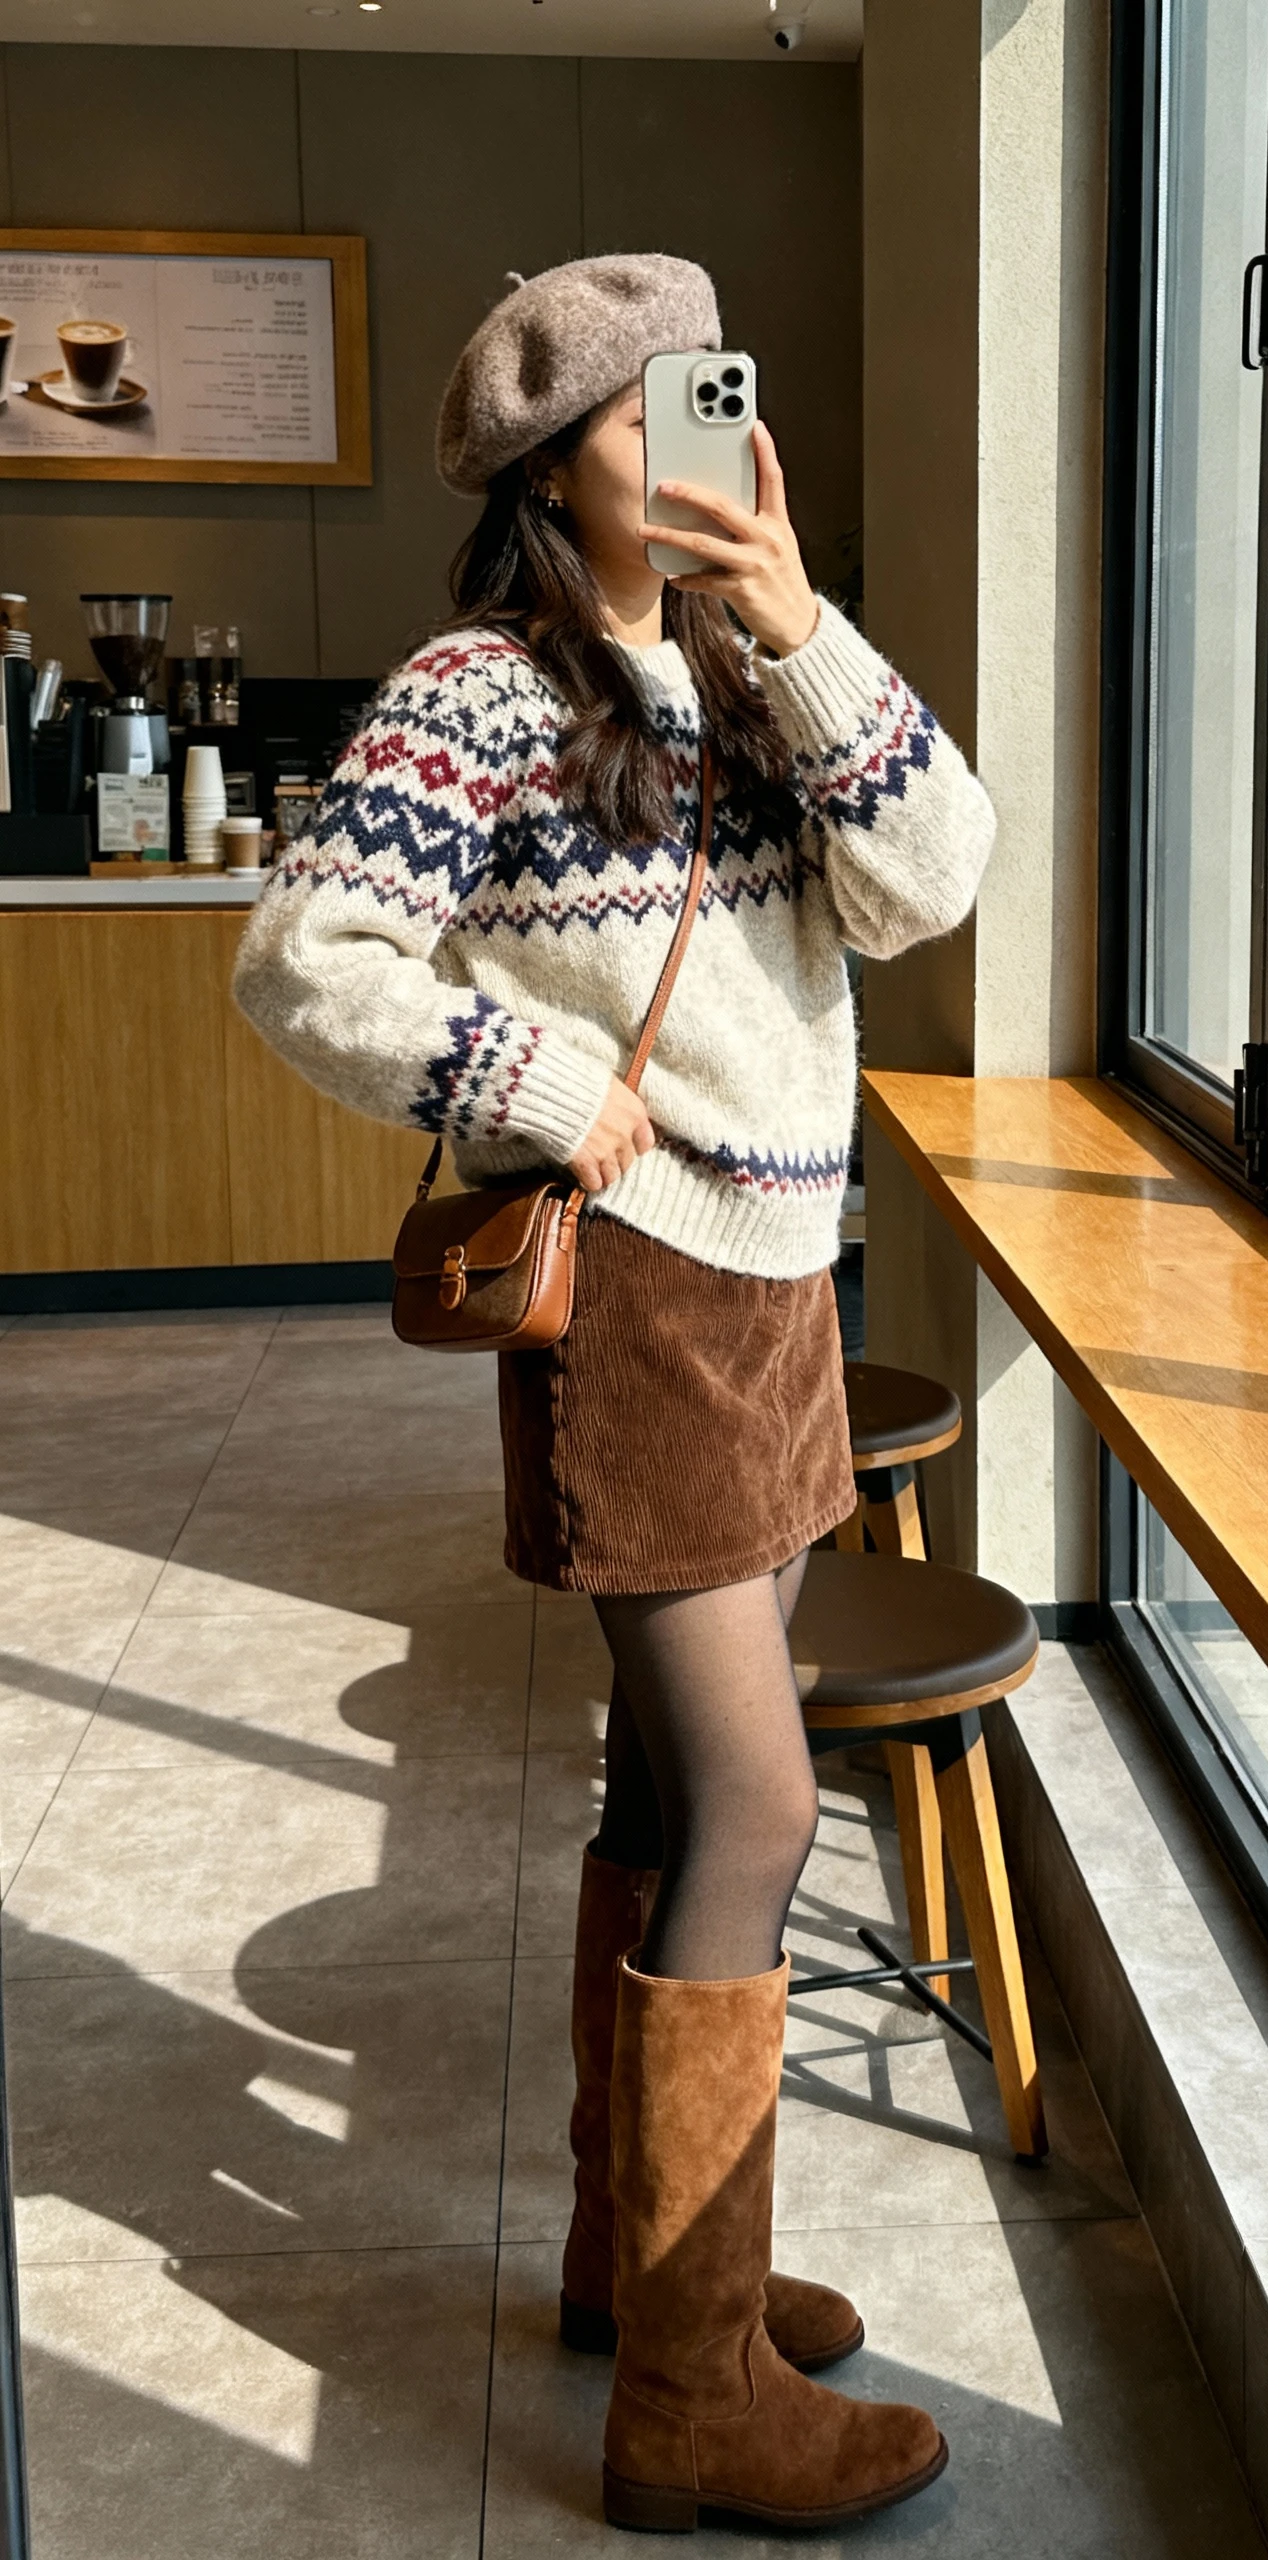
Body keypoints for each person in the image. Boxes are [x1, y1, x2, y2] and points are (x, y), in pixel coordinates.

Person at [234, 253, 996, 2535]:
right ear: (549, 457)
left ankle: (644, 2270)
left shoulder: (757, 670)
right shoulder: (486, 687)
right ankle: (692, 2389)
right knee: (756, 1809)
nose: (698, 427)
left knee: (675, 1795)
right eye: (649, 401)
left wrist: (801, 611)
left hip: (782, 1278)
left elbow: (933, 875)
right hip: (645, 1291)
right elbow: (304, 952)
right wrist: (533, 1077)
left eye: (711, 386)